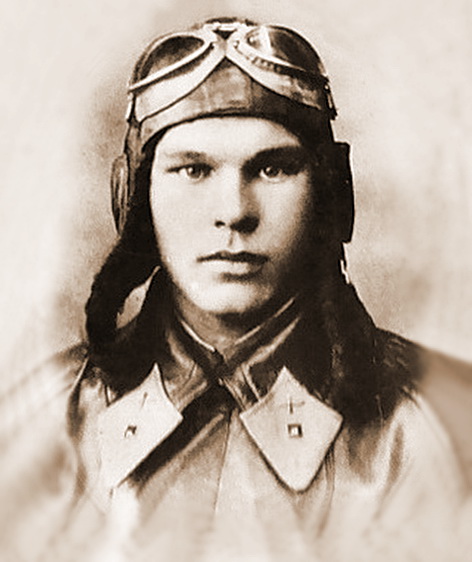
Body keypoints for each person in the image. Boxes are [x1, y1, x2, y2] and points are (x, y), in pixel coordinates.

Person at [1, 16, 470, 562]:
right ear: (134, 200)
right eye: (193, 170)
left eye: (273, 169)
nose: (233, 212)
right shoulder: (43, 422)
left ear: (330, 194)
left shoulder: (439, 429)